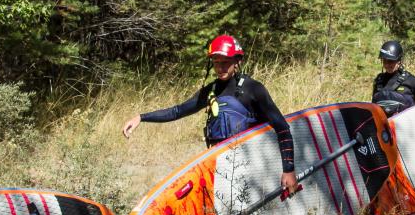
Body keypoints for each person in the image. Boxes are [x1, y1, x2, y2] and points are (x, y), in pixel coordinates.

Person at [121, 35, 298, 197]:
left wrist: (288, 170)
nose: (220, 68)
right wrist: (141, 117)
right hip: (221, 167)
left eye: (225, 62)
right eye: (216, 62)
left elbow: (282, 128)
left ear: (237, 60)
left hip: (252, 167)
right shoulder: (211, 91)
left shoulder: (253, 89)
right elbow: (177, 111)